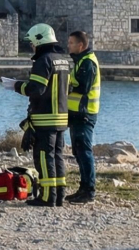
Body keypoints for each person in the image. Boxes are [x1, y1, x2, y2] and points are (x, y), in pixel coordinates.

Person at [9, 24, 72, 207]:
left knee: (44, 157)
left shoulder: (43, 61)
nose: (31, 47)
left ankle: (46, 197)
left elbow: (36, 89)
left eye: (32, 43)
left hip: (45, 118)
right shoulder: (63, 60)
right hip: (61, 117)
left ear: (39, 40)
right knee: (57, 156)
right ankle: (59, 195)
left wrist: (16, 86)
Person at [66, 30, 100, 204]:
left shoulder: (88, 63)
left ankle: (89, 191)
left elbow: (83, 87)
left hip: (84, 114)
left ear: (81, 45)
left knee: (84, 152)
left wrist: (65, 85)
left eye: (71, 43)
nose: (68, 45)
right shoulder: (80, 62)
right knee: (78, 152)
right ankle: (83, 188)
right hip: (77, 114)